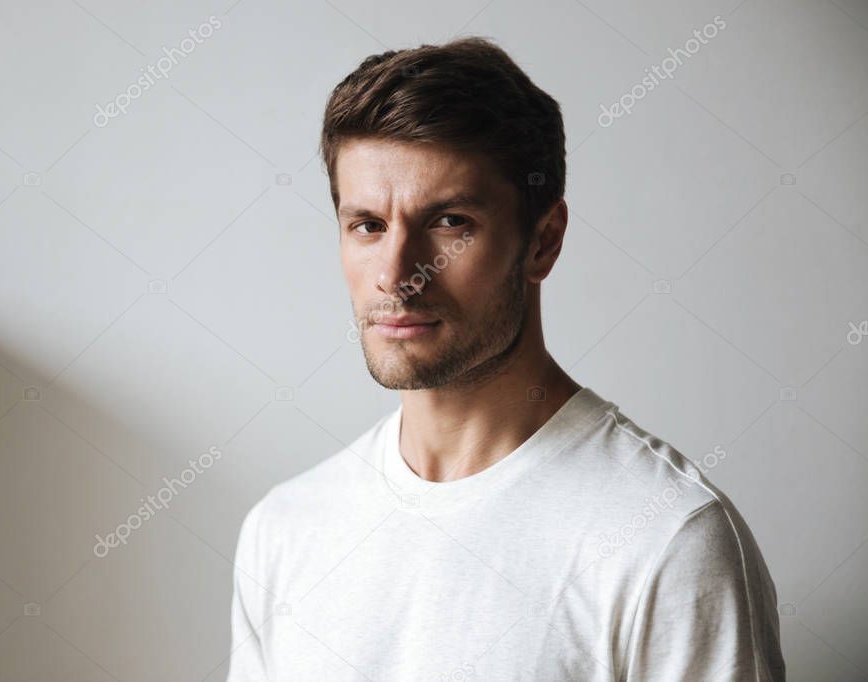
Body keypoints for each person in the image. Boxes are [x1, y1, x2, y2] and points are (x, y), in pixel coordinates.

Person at [226, 36, 784, 681]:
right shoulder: (285, 530)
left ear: (542, 243)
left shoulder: (665, 539)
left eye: (450, 222)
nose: (398, 274)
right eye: (368, 225)